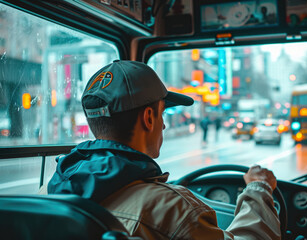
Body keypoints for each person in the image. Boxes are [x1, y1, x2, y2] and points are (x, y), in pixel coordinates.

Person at [45, 60, 281, 239]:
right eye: (162, 113)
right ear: (148, 118)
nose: (165, 124)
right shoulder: (175, 210)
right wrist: (258, 189)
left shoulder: (54, 198)